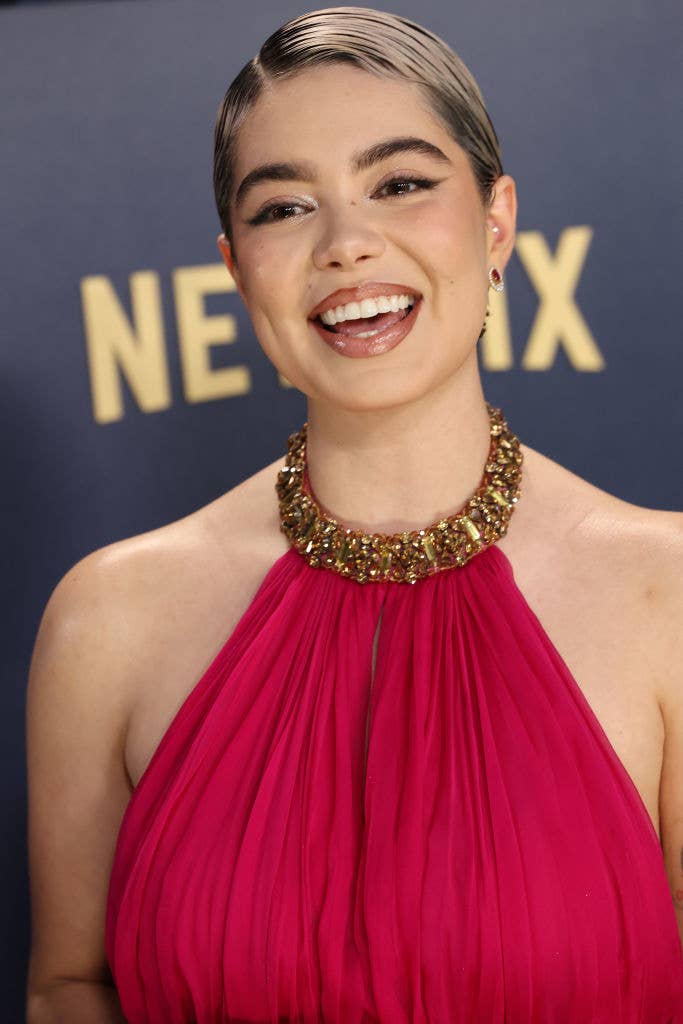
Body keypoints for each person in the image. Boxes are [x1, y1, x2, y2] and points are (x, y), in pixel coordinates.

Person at [25, 6, 683, 1023]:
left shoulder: (665, 595)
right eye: (283, 207)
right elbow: (72, 985)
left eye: (402, 184)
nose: (345, 244)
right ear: (236, 266)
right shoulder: (107, 619)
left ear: (495, 220)